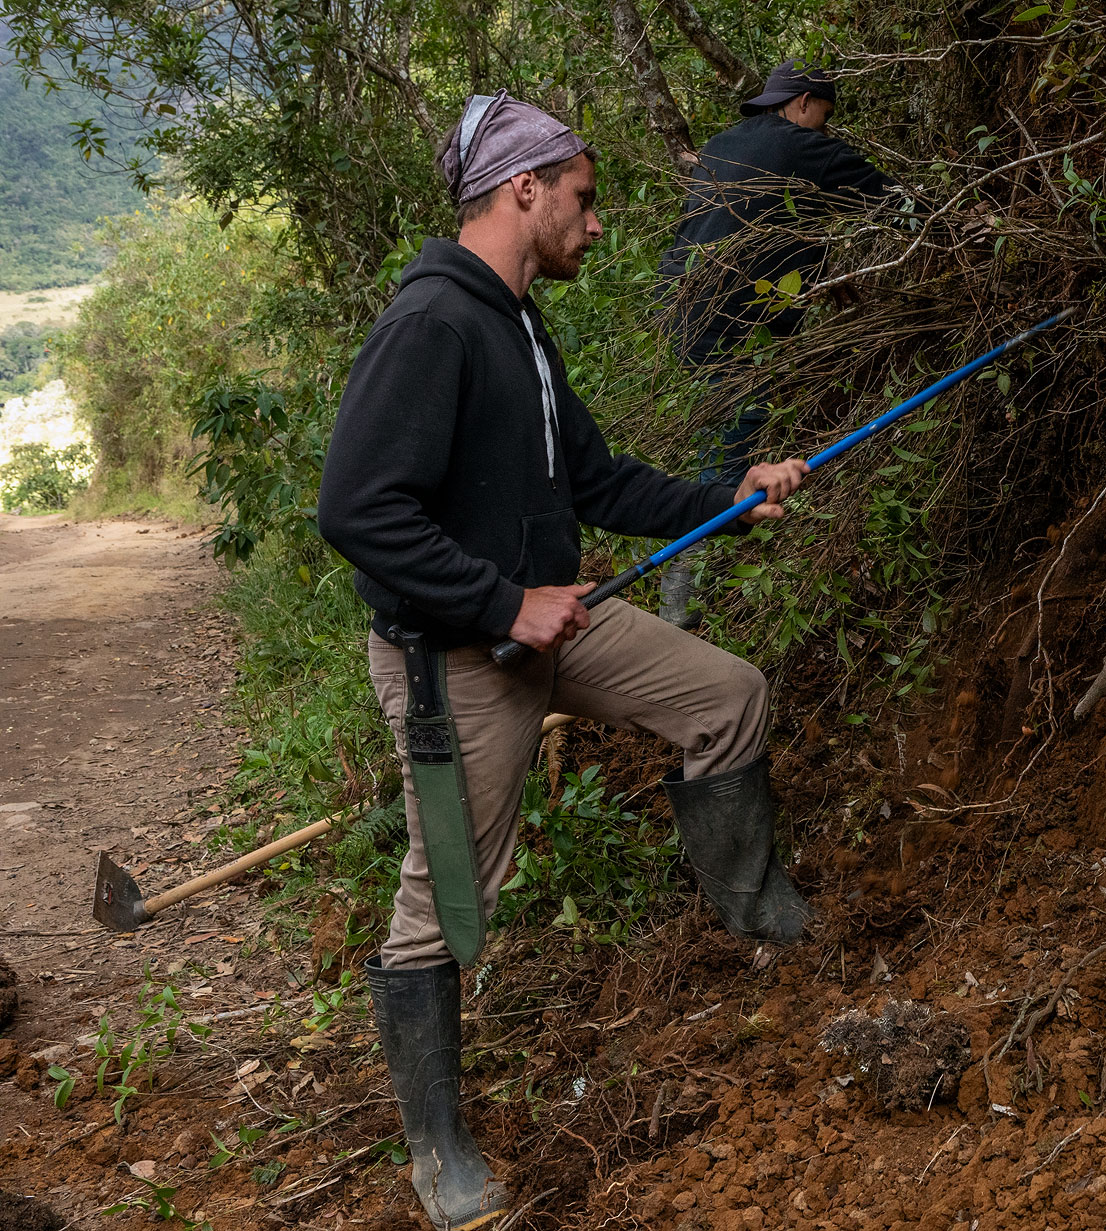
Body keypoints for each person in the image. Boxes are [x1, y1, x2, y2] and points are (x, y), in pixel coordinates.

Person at [318, 93, 815, 1231]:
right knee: (448, 899)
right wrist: (501, 600)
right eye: (583, 201)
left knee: (726, 697)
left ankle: (752, 919)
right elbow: (354, 509)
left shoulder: (519, 323)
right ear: (523, 190)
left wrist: (725, 502)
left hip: (551, 625)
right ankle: (438, 1149)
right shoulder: (433, 324)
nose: (597, 224)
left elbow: (594, 478)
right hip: (456, 658)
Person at [654, 59, 898, 625]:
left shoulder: (725, 142)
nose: (826, 130)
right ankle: (681, 590)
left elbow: (758, 221)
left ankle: (704, 564)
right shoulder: (802, 147)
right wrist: (973, 224)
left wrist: (820, 275)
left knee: (726, 426)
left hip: (686, 307)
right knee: (731, 438)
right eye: (826, 117)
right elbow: (896, 200)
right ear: (805, 103)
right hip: (734, 323)